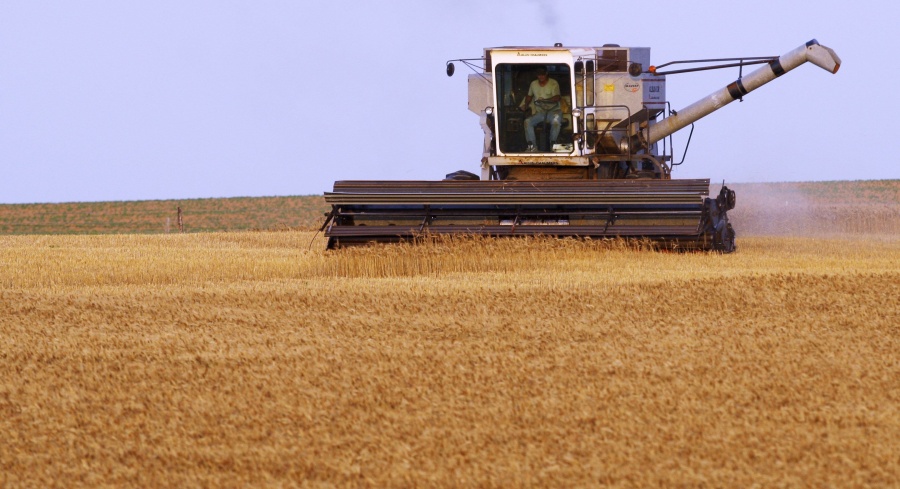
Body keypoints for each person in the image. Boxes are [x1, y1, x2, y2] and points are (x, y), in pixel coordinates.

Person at [519, 67, 562, 152]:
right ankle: (532, 147)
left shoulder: (553, 83)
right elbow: (529, 96)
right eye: (539, 74)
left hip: (554, 111)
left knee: (556, 122)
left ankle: (553, 145)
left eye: (543, 74)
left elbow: (557, 97)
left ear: (546, 74)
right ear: (536, 75)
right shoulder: (533, 84)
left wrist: (544, 100)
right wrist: (526, 105)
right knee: (527, 122)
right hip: (540, 112)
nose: (541, 76)